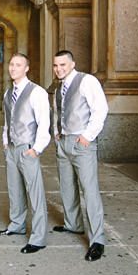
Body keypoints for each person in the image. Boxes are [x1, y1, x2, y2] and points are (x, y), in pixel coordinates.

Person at [51, 50, 109, 261]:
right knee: (67, 185)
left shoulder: (87, 81)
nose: (59, 69)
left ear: (72, 64)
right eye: (56, 65)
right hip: (64, 142)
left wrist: (87, 136)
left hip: (81, 142)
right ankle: (73, 224)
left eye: (63, 65)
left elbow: (100, 109)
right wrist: (56, 133)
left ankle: (97, 240)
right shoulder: (59, 87)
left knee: (89, 190)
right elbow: (58, 112)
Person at [0, 53, 50, 254]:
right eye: (11, 64)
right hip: (11, 148)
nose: (13, 68)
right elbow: (7, 120)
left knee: (35, 193)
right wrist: (5, 142)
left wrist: (36, 149)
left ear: (26, 68)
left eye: (18, 65)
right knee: (14, 190)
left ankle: (38, 237)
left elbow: (44, 123)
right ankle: (17, 225)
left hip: (28, 147)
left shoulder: (37, 92)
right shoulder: (8, 93)